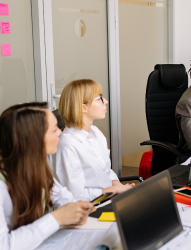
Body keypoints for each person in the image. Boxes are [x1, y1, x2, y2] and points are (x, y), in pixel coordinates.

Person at [0, 102, 96, 250]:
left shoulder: (35, 164)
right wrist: (57, 218)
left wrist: (74, 210)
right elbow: (3, 245)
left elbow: (59, 194)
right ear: (32, 139)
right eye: (53, 130)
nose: (60, 132)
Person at [55, 79, 133, 201]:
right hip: (88, 209)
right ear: (83, 107)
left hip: (108, 198)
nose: (105, 101)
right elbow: (76, 196)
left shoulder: (95, 132)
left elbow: (106, 171)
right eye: (99, 98)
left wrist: (120, 188)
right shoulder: (68, 144)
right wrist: (113, 190)